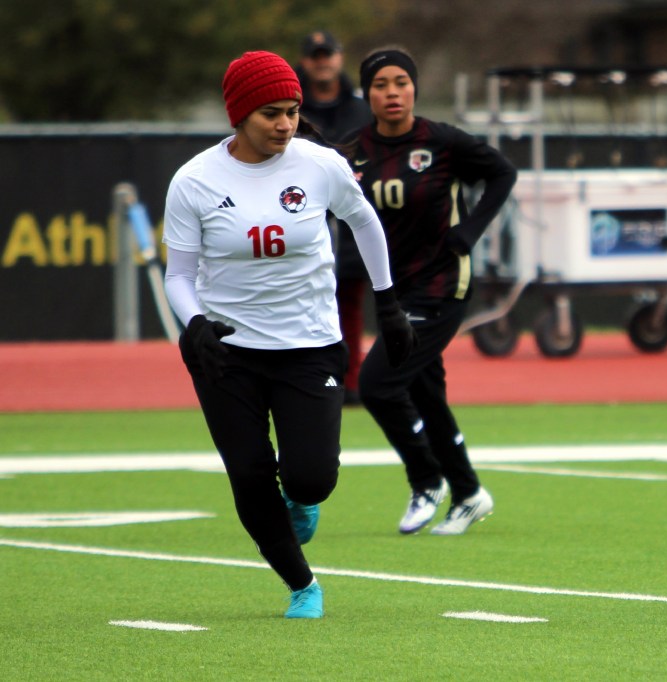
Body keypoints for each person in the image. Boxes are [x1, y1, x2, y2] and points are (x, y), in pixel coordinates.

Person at [162, 50, 415, 618]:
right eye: (271, 113)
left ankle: (302, 502)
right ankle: (302, 584)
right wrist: (195, 323)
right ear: (240, 114)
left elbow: (364, 220)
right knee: (250, 474)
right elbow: (179, 275)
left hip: (309, 344)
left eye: (293, 111)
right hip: (226, 353)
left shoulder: (319, 164)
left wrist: (387, 302)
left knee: (312, 476)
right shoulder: (195, 181)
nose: (284, 124)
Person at [346, 47, 517, 535]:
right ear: (367, 93)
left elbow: (503, 172)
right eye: (381, 84)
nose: (392, 92)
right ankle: (467, 492)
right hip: (392, 292)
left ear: (414, 88)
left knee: (378, 385)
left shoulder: (441, 141)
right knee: (425, 395)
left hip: (442, 284)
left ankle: (425, 479)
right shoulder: (350, 151)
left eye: (401, 81)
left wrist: (471, 231)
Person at [296, 30, 375, 405]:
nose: (322, 61)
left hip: (347, 213)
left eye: (327, 54)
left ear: (340, 57)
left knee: (350, 301)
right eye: (315, 55)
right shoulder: (290, 105)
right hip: (301, 211)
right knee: (305, 297)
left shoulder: (360, 108)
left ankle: (352, 380)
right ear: (305, 60)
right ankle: (314, 376)